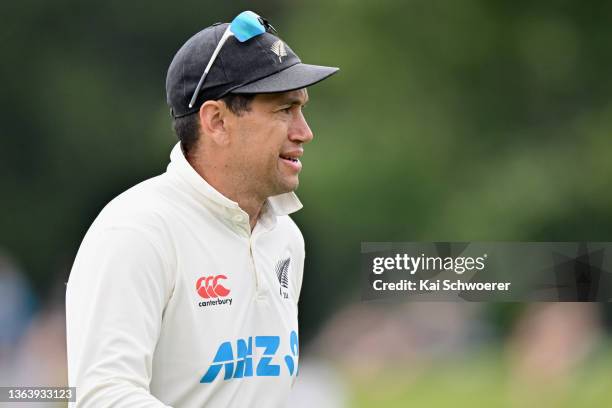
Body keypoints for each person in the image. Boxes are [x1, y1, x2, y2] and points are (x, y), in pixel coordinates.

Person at [66, 11, 338, 408]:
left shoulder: (285, 239)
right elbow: (103, 396)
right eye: (284, 110)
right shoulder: (135, 231)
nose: (304, 132)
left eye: (302, 110)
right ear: (216, 121)